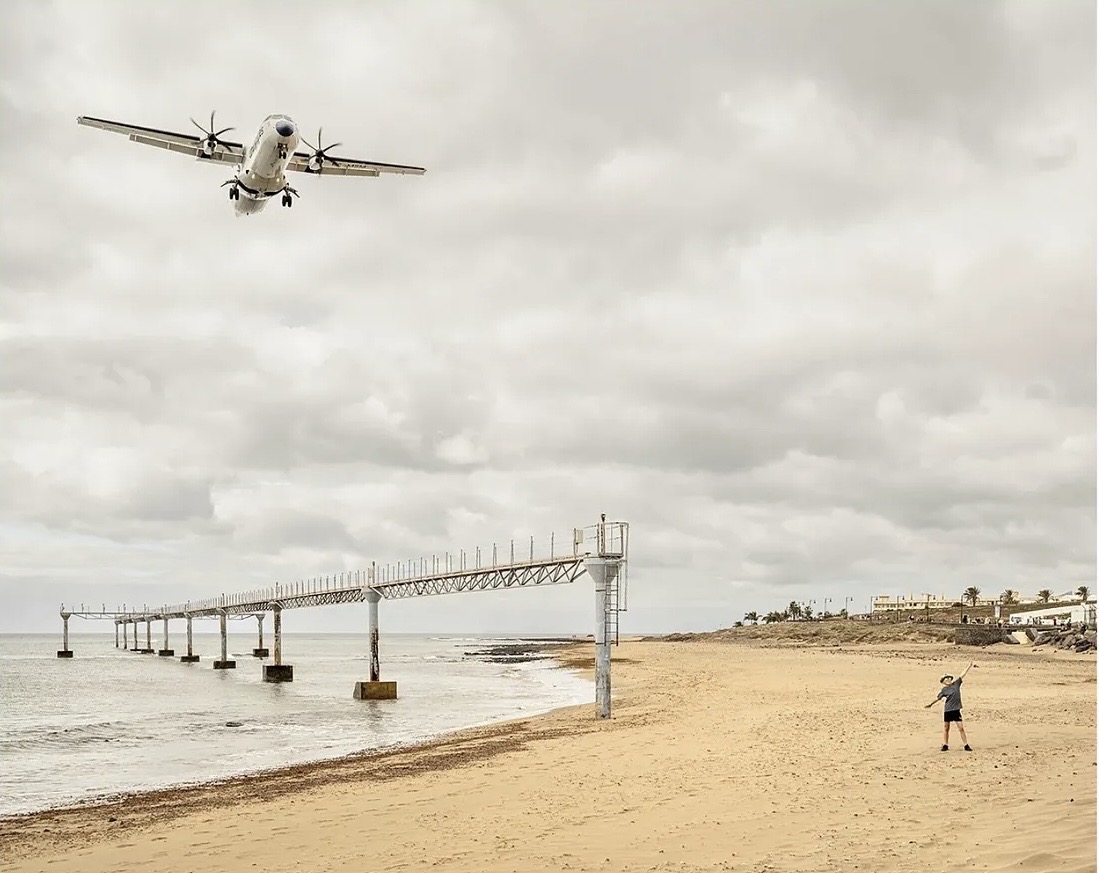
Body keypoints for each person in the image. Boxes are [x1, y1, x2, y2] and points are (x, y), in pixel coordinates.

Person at [925, 661, 976, 751]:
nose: (948, 680)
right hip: (948, 710)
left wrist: (969, 666)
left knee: (961, 728)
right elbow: (938, 698)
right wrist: (930, 704)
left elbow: (962, 674)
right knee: (946, 727)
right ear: (943, 682)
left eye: (948, 678)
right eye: (945, 679)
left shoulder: (956, 684)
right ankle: (945, 744)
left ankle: (966, 745)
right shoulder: (944, 690)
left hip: (956, 710)